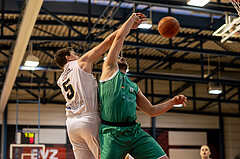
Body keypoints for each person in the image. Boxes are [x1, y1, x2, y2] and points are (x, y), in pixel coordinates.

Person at [99, 13, 187, 159]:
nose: (122, 57)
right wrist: (131, 19)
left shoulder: (133, 86)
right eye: (118, 56)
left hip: (134, 132)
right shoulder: (108, 70)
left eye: (123, 57)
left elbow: (152, 110)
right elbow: (119, 37)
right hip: (112, 134)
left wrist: (173, 101)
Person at [54, 28, 121, 159]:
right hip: (88, 119)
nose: (78, 56)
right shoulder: (80, 63)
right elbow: (107, 42)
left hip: (71, 124)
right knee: (107, 156)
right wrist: (126, 27)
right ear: (68, 57)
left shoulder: (60, 79)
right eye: (74, 53)